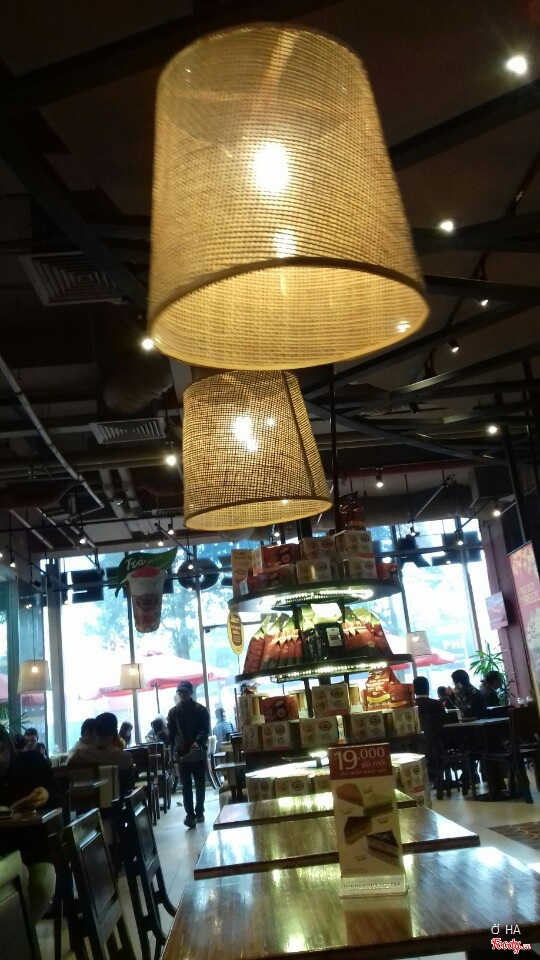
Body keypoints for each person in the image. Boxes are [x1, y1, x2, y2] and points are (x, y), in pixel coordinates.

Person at [0, 726, 60, 922]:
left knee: (41, 885)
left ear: (9, 745)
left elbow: (58, 796)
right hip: (3, 854)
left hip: (34, 850)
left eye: (1, 750)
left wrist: (47, 794)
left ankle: (19, 934)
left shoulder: (32, 762)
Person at [167, 680, 210, 829]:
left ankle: (199, 812)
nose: (182, 694)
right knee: (185, 785)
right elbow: (171, 735)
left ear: (191, 692)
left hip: (197, 751)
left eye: (184, 691)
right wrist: (171, 753)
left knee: (199, 783)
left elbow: (205, 730)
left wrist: (198, 741)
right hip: (182, 753)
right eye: (180, 692)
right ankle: (190, 815)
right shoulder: (173, 712)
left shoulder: (201, 710)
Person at [66, 711, 133, 774]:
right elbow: (129, 782)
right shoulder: (124, 757)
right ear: (115, 731)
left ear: (95, 731)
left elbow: (67, 775)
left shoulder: (79, 756)